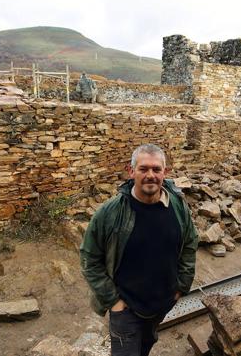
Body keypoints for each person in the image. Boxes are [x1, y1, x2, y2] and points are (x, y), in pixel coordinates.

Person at [80, 144, 198, 356]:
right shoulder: (111, 212)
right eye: (143, 169)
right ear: (131, 171)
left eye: (156, 169)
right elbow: (89, 258)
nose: (150, 175)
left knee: (146, 344)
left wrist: (181, 286)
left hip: (162, 304)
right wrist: (113, 301)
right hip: (126, 310)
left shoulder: (178, 206)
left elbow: (190, 243)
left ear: (166, 172)